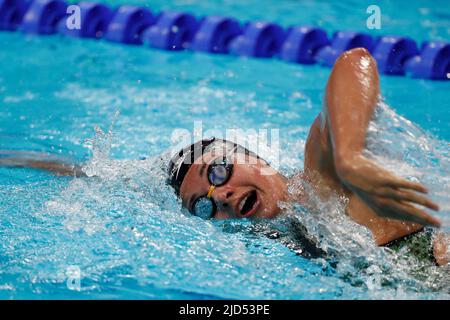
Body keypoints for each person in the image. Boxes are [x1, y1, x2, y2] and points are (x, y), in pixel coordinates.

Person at [1, 48, 447, 265]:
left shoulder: (323, 180)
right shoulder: (280, 238)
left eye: (219, 170)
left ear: (252, 155)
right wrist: (17, 159)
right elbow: (105, 175)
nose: (223, 194)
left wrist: (349, 158)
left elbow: (354, 63)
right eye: (204, 205)